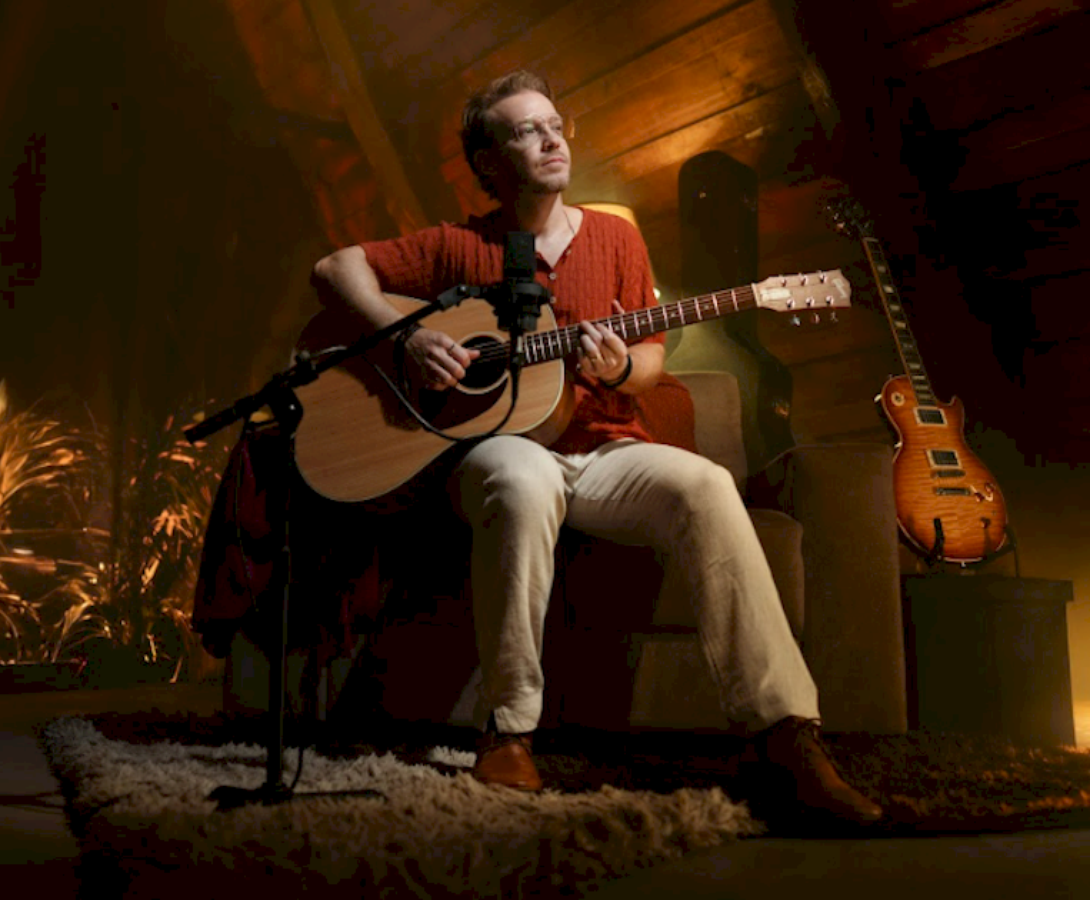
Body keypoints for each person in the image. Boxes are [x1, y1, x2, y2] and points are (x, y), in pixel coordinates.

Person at [311, 70, 882, 823]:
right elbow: (335, 269)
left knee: (706, 485)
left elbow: (649, 362)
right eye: (527, 131)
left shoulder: (615, 238)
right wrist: (408, 339)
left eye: (556, 125)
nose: (552, 140)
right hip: (502, 449)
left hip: (607, 452)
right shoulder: (457, 246)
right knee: (520, 479)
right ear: (487, 162)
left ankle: (784, 734)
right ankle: (508, 731)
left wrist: (617, 368)